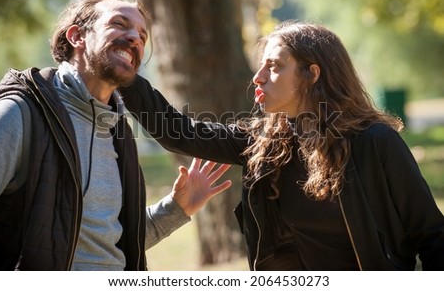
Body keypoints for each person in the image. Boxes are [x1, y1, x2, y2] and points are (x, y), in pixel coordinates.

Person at [119, 20, 444, 270]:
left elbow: (431, 237)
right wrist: (127, 77)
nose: (257, 77)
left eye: (273, 66)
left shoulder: (374, 142)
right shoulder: (264, 144)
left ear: (311, 74)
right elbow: (179, 132)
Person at [0, 0, 232, 271]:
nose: (135, 38)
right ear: (76, 36)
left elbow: (109, 245)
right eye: (119, 24)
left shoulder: (118, 131)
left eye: (143, 36)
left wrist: (175, 210)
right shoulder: (19, 114)